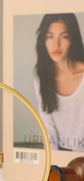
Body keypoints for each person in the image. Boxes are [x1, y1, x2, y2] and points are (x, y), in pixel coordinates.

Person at [34, 13, 84, 151]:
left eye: (64, 36)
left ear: (72, 39)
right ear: (43, 40)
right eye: (50, 36)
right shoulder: (41, 78)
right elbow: (48, 132)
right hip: (59, 155)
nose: (56, 44)